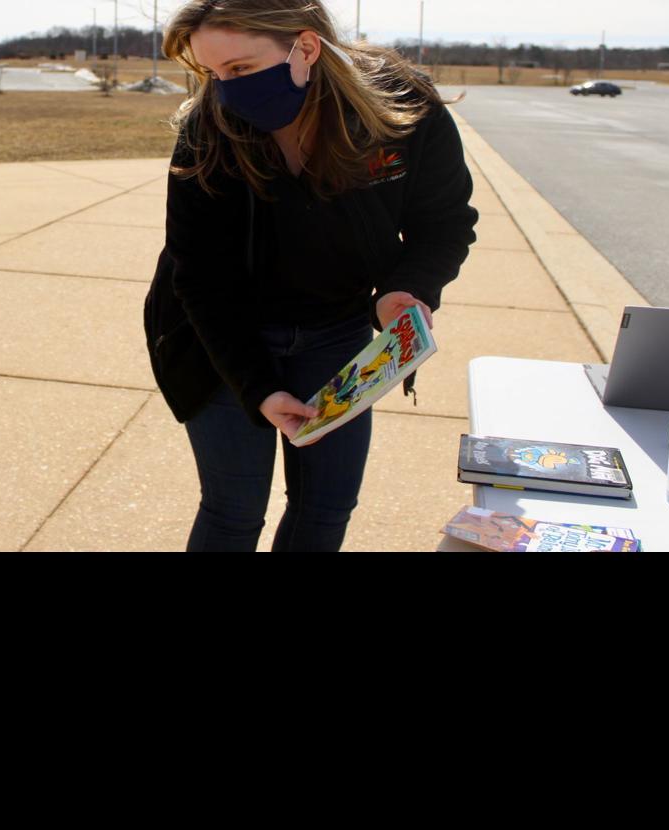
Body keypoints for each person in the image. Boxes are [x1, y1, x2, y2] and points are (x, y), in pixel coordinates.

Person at [145, 0, 479, 551]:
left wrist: (408, 290)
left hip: (336, 335)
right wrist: (257, 386)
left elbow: (444, 222)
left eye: (241, 69)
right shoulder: (209, 129)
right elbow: (200, 275)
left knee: (325, 510)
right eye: (213, 73)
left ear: (305, 46)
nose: (226, 90)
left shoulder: (401, 106)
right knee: (233, 511)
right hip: (220, 339)